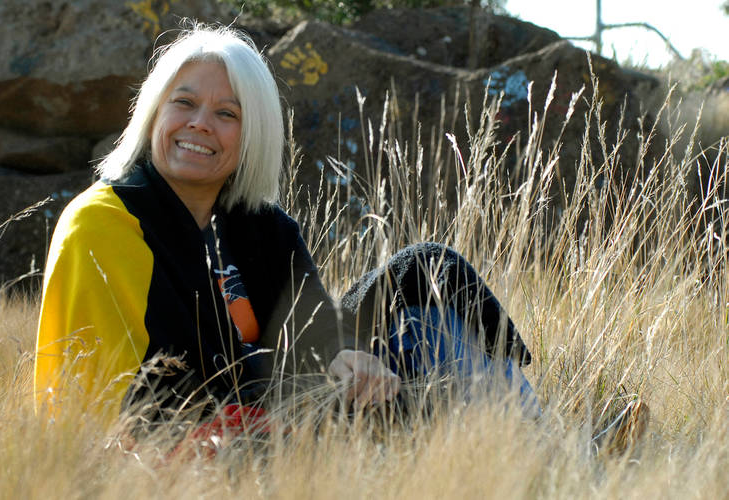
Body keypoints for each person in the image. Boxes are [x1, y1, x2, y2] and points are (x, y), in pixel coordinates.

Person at [33, 24, 536, 429]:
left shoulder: (262, 227)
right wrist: (309, 380)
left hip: (286, 414)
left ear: (252, 136)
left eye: (226, 113)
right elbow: (151, 390)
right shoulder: (103, 223)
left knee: (429, 279)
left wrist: (345, 357)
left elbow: (315, 334)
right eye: (183, 103)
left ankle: (535, 456)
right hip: (194, 444)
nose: (200, 123)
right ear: (153, 113)